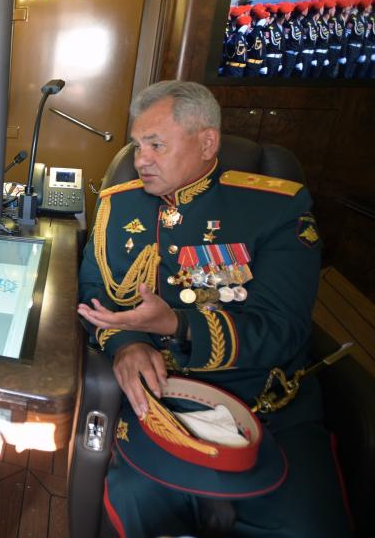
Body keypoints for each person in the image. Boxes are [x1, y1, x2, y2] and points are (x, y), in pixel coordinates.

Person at [77, 81, 350, 537]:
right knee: (130, 506)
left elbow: (283, 328)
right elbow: (94, 292)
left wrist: (180, 325)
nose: (141, 158)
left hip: (266, 406)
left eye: (156, 145)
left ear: (207, 142)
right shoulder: (118, 204)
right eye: (137, 145)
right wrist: (126, 344)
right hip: (158, 403)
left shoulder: (274, 208)